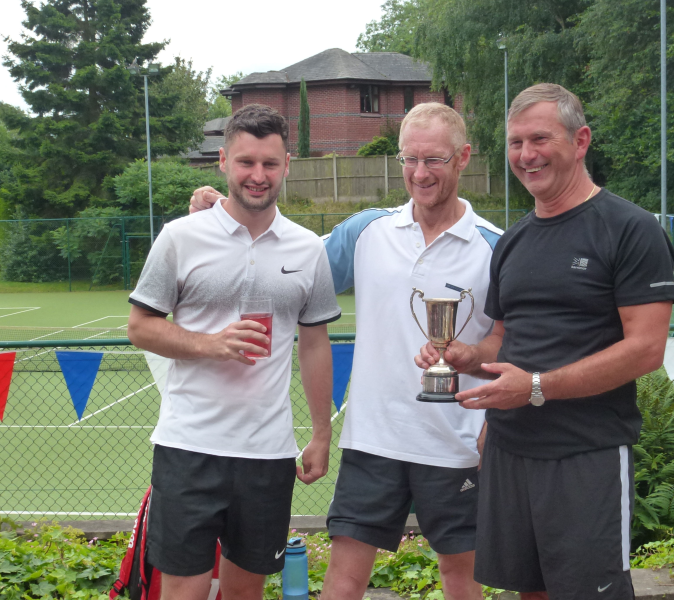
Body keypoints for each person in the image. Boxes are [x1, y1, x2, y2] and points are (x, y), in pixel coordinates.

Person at [189, 102, 502, 600]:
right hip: (372, 441)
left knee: (460, 580)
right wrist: (223, 217)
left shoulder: (494, 247)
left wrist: (492, 423)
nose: (419, 173)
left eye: (435, 160)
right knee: (343, 582)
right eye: (409, 159)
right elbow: (288, 262)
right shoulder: (366, 232)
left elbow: (509, 343)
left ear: (463, 158)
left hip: (456, 445)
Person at [416, 83, 674, 600]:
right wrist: (467, 357)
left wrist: (536, 387)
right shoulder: (514, 239)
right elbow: (501, 340)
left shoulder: (630, 229)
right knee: (528, 592)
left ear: (580, 141)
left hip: (587, 455)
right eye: (515, 143)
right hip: (511, 452)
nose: (526, 155)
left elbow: (647, 348)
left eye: (540, 139)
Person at [128, 104, 341, 600]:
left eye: (269, 164)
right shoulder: (180, 236)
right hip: (189, 446)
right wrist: (209, 344)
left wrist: (322, 435)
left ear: (287, 164)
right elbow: (140, 327)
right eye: (246, 162)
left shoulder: (307, 249)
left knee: (246, 591)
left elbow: (313, 343)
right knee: (184, 588)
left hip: (267, 453)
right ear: (223, 161)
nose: (258, 175)